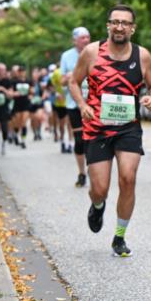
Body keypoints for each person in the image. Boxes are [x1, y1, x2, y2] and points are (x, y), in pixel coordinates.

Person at [70, 4, 151, 258]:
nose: (120, 27)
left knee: (128, 179)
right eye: (115, 22)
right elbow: (73, 82)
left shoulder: (142, 56)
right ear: (108, 25)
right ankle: (97, 205)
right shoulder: (91, 53)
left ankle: (119, 237)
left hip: (128, 128)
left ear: (133, 28)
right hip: (97, 128)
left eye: (125, 23)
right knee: (100, 188)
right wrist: (82, 104)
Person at [62, 28, 92, 186]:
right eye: (82, 38)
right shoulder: (66, 56)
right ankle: (82, 172)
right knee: (80, 140)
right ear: (74, 40)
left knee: (93, 140)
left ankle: (94, 170)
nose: (86, 40)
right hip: (74, 104)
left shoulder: (96, 52)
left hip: (94, 104)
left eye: (88, 37)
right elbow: (60, 82)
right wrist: (68, 77)